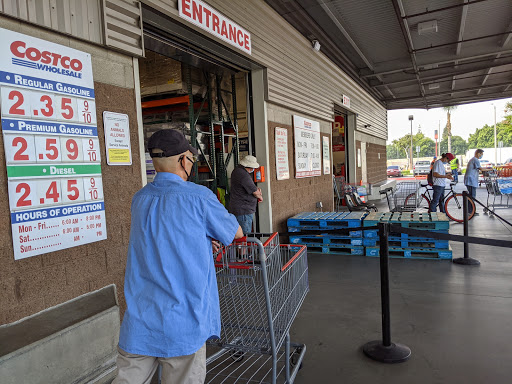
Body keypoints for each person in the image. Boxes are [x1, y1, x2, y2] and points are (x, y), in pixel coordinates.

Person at [114, 129, 244, 384]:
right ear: (183, 160)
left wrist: (202, 241)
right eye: (191, 158)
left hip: (140, 321)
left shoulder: (139, 199)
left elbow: (164, 239)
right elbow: (236, 232)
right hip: (184, 321)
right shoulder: (198, 197)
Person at [228, 155, 263, 235]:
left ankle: (240, 247)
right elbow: (255, 192)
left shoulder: (237, 171)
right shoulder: (243, 175)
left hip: (239, 209)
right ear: (250, 167)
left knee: (239, 235)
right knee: (244, 236)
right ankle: (242, 248)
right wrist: (260, 196)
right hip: (243, 211)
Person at [464, 149, 484, 215]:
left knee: (471, 196)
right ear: (478, 153)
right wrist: (491, 169)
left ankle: (470, 211)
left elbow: (477, 170)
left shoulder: (473, 159)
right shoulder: (475, 160)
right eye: (481, 154)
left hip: (470, 180)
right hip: (471, 180)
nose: (482, 156)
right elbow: (481, 169)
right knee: (472, 196)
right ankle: (471, 211)